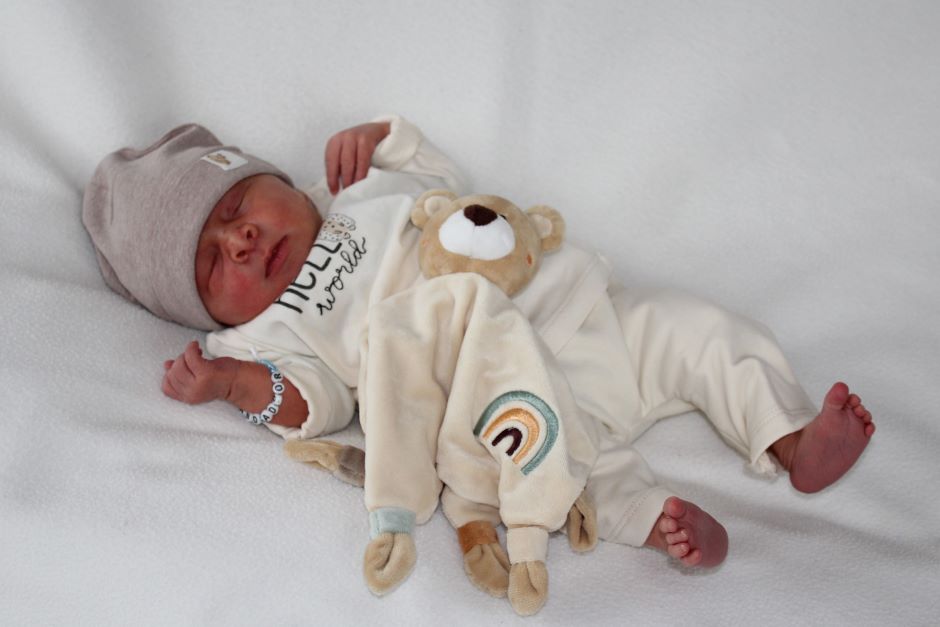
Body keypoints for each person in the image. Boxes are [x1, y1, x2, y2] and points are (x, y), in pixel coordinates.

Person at [82, 115, 875, 572]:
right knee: (564, 471)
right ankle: (662, 520)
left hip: (573, 315)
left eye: (238, 206)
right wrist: (233, 383)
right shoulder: (265, 334)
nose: (243, 240)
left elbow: (440, 179)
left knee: (696, 329)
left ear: (276, 178)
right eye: (212, 262)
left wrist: (380, 136)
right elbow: (313, 405)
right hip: (495, 394)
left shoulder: (356, 192)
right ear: (206, 312)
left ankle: (790, 433)